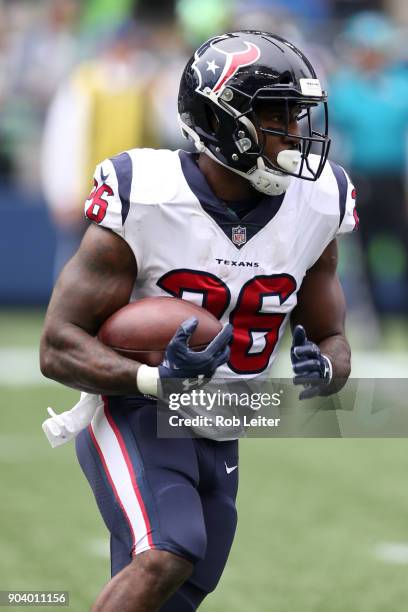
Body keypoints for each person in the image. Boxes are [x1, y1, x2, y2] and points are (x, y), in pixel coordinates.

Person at [40, 30, 358, 612]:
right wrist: (152, 381)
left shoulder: (319, 202)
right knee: (167, 552)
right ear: (222, 120)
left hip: (226, 416)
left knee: (176, 592)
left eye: (298, 114)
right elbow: (57, 346)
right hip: (136, 408)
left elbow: (333, 338)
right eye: (276, 116)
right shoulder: (147, 194)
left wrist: (325, 368)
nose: (295, 132)